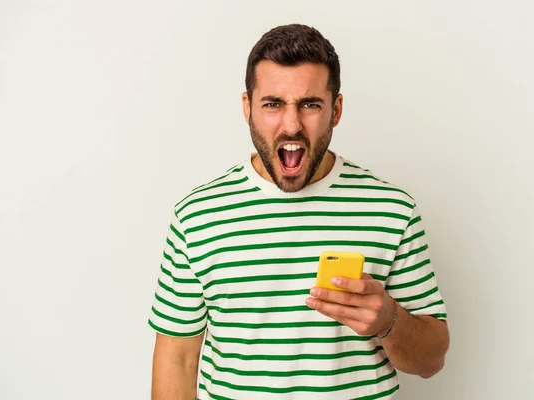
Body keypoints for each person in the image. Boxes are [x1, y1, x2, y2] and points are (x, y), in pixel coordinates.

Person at [148, 23, 450, 400]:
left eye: (310, 105)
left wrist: (388, 320)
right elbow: (178, 359)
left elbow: (431, 360)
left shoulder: (392, 209)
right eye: (273, 104)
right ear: (248, 108)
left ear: (336, 110)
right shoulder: (196, 216)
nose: (291, 125)